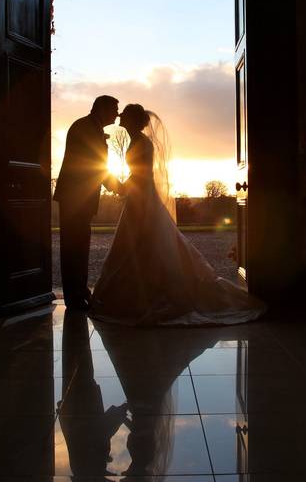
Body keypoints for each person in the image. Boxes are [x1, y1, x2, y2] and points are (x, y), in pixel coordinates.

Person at [90, 104, 266, 325]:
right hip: (140, 197)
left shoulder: (140, 142)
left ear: (133, 119)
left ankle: (149, 296)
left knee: (143, 244)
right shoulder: (139, 141)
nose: (119, 116)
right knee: (143, 245)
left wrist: (119, 187)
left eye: (124, 113)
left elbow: (141, 175)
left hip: (142, 199)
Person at [54, 95, 120, 310]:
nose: (117, 114)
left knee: (80, 246)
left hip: (80, 197)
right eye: (114, 110)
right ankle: (75, 297)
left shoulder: (90, 127)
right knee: (74, 247)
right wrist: (118, 186)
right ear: (102, 108)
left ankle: (79, 292)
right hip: (75, 197)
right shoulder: (85, 128)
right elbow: (95, 163)